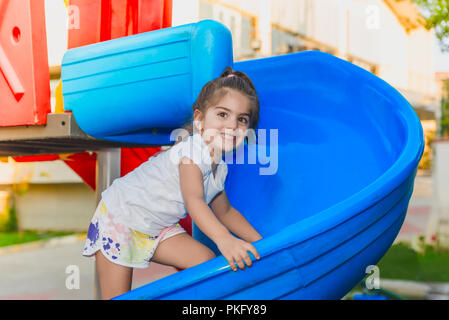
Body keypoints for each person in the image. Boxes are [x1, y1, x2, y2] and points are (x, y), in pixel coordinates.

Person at [82, 66, 263, 300]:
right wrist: (225, 240)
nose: (232, 126)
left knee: (204, 262)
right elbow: (195, 201)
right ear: (199, 119)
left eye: (241, 119)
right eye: (222, 114)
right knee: (116, 297)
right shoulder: (192, 152)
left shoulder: (220, 166)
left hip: (157, 226)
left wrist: (262, 243)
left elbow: (226, 212)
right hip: (121, 218)